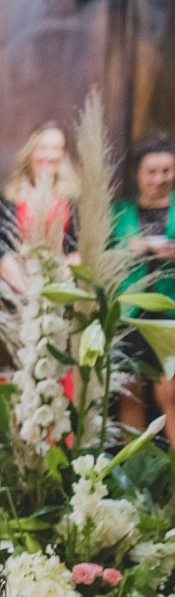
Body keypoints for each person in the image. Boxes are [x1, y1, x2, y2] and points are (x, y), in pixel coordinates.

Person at [114, 137, 175, 430]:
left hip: (170, 312)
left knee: (170, 393)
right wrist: (130, 250)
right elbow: (103, 255)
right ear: (137, 174)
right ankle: (134, 471)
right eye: (151, 172)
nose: (159, 179)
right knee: (131, 394)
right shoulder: (120, 213)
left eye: (166, 171)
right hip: (130, 313)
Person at [0, 124, 79, 295]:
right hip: (20, 290)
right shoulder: (8, 198)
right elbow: (1, 251)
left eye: (56, 148)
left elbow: (77, 251)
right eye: (42, 148)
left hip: (62, 288)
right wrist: (31, 292)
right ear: (30, 152)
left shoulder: (72, 199)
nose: (49, 155)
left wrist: (56, 287)